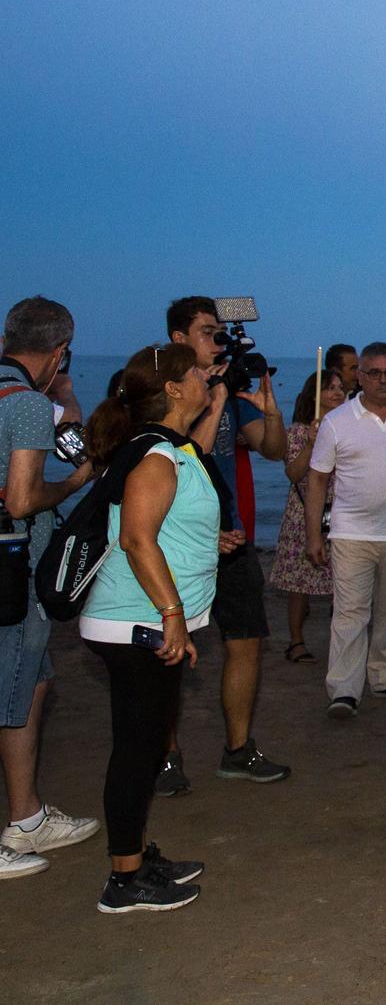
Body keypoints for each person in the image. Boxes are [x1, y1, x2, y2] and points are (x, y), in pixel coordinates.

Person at [78, 344, 223, 913]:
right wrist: (173, 616)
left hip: (142, 620)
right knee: (137, 751)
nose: (205, 375)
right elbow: (136, 539)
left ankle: (136, 855)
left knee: (140, 744)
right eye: (195, 372)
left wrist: (209, 543)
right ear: (173, 389)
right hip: (135, 622)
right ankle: (123, 880)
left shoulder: (171, 450)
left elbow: (162, 530)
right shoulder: (157, 456)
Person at [161, 296, 290, 790]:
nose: (218, 340)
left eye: (220, 332)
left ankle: (237, 749)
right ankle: (166, 756)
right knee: (171, 652)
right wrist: (212, 398)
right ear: (179, 338)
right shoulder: (161, 393)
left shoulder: (229, 394)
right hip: (176, 543)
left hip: (231, 539)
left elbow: (274, 450)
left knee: (245, 642)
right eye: (208, 331)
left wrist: (270, 411)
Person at [0, 298, 100, 879]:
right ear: (60, 350)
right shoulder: (28, 407)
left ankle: (27, 815)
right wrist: (71, 485)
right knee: (9, 690)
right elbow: (21, 499)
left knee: (29, 686)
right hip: (12, 575)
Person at [306, 342, 386, 716]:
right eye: (373, 373)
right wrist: (315, 534)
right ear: (358, 376)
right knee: (350, 614)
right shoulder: (337, 421)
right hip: (351, 534)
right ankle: (344, 689)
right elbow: (317, 480)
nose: (382, 380)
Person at [268, 369, 346, 662]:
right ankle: (296, 641)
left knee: (343, 584)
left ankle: (339, 645)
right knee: (298, 583)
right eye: (330, 388)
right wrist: (313, 443)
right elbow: (293, 473)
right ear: (315, 395)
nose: (338, 393)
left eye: (340, 387)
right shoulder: (300, 431)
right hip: (304, 513)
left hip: (339, 513)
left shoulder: (346, 428)